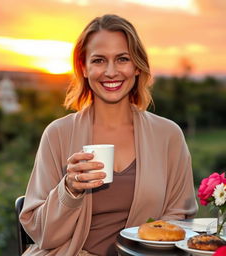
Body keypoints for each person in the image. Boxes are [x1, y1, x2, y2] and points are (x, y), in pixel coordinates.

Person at [19, 14, 198, 256]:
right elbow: (43, 235)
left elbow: (178, 219)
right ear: (83, 67)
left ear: (136, 66)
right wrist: (69, 190)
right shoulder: (58, 134)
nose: (111, 72)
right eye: (99, 60)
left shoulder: (168, 135)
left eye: (122, 59)